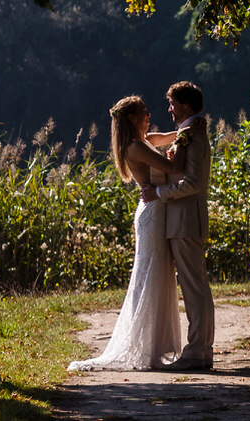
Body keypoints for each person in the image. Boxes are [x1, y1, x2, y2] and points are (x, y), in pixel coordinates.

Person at [67, 95, 187, 371]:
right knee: (150, 273)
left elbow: (170, 136)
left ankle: (154, 343)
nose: (148, 115)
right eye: (143, 112)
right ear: (132, 118)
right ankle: (144, 344)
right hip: (152, 214)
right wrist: (181, 145)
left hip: (155, 211)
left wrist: (187, 131)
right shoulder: (135, 147)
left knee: (157, 273)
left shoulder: (143, 141)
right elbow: (175, 168)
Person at [142, 81, 214, 370]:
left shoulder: (194, 137)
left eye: (172, 103)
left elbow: (193, 183)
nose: (169, 109)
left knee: (195, 288)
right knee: (193, 287)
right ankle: (200, 351)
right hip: (181, 221)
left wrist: (158, 193)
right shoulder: (189, 132)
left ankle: (198, 352)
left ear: (185, 104)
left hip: (186, 221)